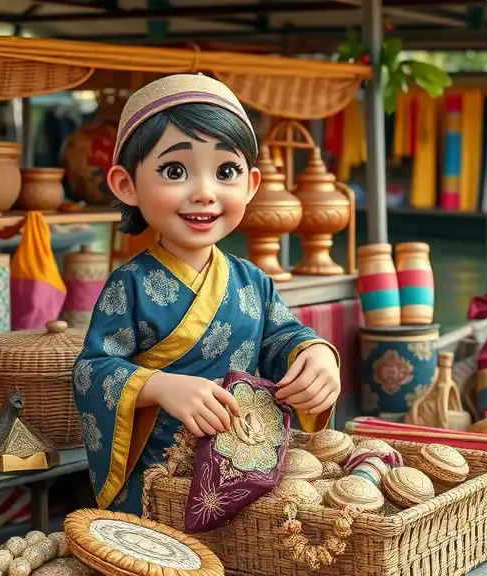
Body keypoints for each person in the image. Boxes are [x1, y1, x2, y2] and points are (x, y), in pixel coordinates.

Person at [71, 74, 342, 515]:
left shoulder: (254, 281)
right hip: (159, 480)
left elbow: (283, 338)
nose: (203, 192)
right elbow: (92, 371)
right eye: (174, 171)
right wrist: (159, 386)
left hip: (245, 470)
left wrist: (316, 357)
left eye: (226, 171)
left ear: (251, 184)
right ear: (126, 185)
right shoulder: (130, 285)